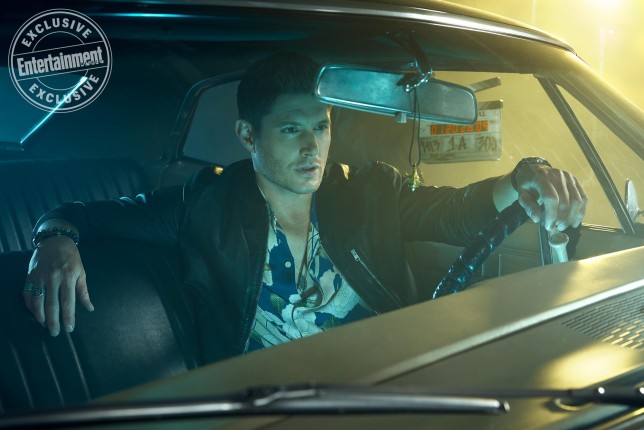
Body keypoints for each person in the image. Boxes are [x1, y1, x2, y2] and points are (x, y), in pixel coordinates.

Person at [24, 52, 587, 364]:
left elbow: (458, 211)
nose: (313, 147)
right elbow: (84, 213)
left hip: (392, 384)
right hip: (265, 405)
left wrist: (524, 176)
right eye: (292, 130)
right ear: (248, 136)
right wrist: (54, 239)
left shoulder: (370, 191)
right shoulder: (207, 202)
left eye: (321, 127)